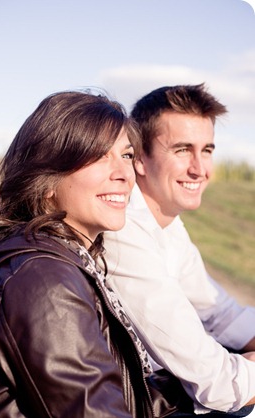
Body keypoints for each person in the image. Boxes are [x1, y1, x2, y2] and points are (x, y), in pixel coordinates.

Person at [0, 90, 159, 417]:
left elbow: (125, 396)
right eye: (100, 156)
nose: (124, 175)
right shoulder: (43, 280)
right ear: (47, 181)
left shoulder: (66, 260)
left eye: (126, 155)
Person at [103, 84, 255, 416]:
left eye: (208, 150)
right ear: (140, 158)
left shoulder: (167, 221)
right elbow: (216, 383)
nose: (200, 169)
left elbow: (219, 313)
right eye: (183, 149)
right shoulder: (123, 227)